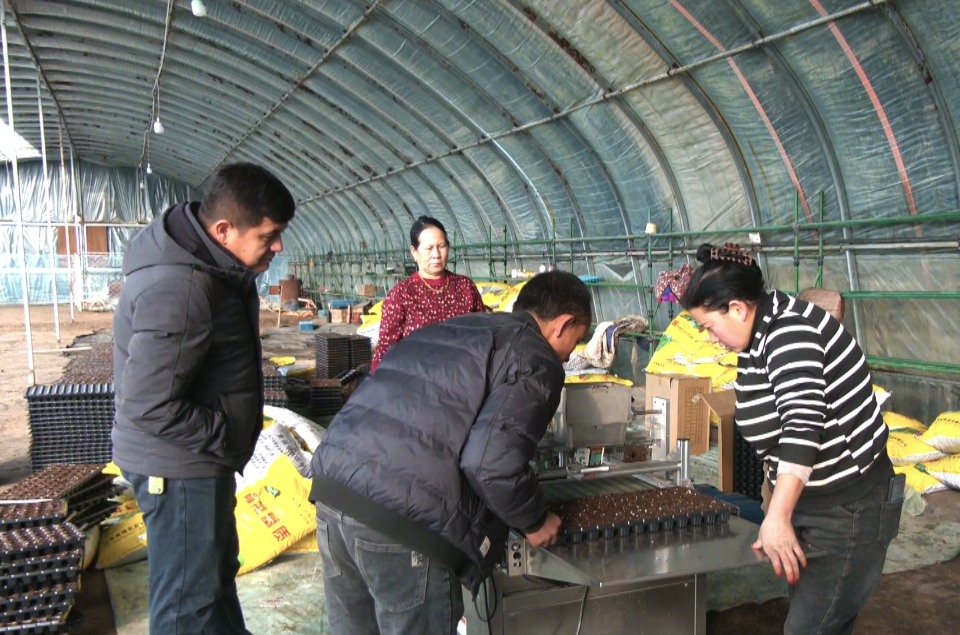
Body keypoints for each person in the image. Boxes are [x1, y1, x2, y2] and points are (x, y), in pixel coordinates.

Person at [311, 270, 592, 635]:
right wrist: (535, 520)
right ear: (563, 324)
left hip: (333, 493)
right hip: (401, 520)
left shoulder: (458, 328)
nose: (570, 355)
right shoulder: (535, 357)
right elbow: (491, 463)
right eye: (577, 340)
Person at [112, 163, 295, 634]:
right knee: (187, 606)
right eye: (269, 235)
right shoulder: (183, 288)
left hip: (193, 461)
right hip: (179, 467)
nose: (277, 246)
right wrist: (224, 434)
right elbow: (147, 404)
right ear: (223, 230)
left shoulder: (209, 270)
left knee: (210, 581)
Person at [681, 243, 901, 635]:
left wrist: (779, 516)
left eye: (708, 326)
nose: (709, 337)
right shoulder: (759, 332)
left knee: (810, 626)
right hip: (813, 503)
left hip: (847, 509)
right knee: (817, 619)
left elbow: (802, 426)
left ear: (737, 309)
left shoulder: (789, 333)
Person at [370, 215, 486, 371]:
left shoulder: (465, 287)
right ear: (414, 252)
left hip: (463, 376)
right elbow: (385, 351)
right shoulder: (401, 294)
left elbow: (483, 334)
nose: (436, 254)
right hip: (416, 379)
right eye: (429, 248)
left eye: (441, 246)